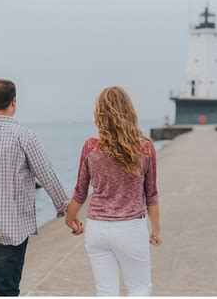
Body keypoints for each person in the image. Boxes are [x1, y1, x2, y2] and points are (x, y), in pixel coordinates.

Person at [0, 79, 80, 296]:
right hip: (12, 226)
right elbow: (47, 175)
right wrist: (67, 211)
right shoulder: (25, 136)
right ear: (14, 102)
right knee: (7, 288)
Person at [65, 86, 163, 296]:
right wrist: (156, 230)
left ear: (99, 114)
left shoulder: (91, 147)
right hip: (130, 229)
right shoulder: (145, 148)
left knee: (106, 292)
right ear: (129, 112)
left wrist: (69, 219)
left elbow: (80, 191)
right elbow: (151, 195)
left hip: (97, 229)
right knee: (139, 287)